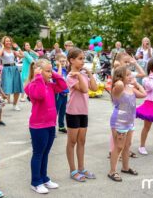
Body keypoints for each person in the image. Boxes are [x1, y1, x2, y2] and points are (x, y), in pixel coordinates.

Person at [24, 58, 67, 194]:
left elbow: (63, 86)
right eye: (48, 71)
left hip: (50, 124)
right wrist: (38, 77)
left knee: (46, 153)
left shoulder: (50, 85)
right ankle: (35, 182)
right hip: (38, 126)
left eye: (51, 71)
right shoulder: (32, 85)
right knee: (38, 154)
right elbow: (40, 95)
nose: (51, 73)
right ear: (38, 72)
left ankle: (44, 177)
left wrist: (53, 74)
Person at [108, 66, 146, 182]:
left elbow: (143, 94)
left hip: (130, 121)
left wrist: (136, 84)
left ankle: (125, 167)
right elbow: (119, 84)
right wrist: (118, 78)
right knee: (118, 146)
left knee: (127, 145)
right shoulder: (118, 88)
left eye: (131, 74)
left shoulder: (130, 88)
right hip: (119, 121)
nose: (131, 76)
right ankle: (112, 171)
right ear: (121, 77)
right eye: (128, 75)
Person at [65, 48, 98, 182]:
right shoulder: (70, 76)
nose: (83, 61)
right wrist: (79, 75)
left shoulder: (82, 74)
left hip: (84, 112)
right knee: (72, 142)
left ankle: (81, 168)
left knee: (82, 141)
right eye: (80, 58)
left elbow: (94, 88)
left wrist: (89, 74)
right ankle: (73, 170)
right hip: (73, 112)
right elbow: (84, 89)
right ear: (72, 60)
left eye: (83, 58)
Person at [0, 36, 24, 111]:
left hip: (14, 68)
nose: (8, 42)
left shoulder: (13, 51)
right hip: (6, 69)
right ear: (4, 42)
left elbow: (22, 56)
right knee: (5, 88)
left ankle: (15, 104)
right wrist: (2, 47)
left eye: (9, 41)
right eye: (7, 41)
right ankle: (0, 103)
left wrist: (18, 48)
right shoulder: (2, 50)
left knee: (17, 87)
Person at [54, 54, 69, 133]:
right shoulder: (55, 69)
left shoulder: (65, 69)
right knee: (55, 111)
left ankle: (61, 126)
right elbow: (58, 77)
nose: (62, 63)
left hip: (65, 93)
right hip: (58, 94)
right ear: (56, 62)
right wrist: (59, 66)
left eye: (64, 61)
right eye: (60, 61)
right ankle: (52, 128)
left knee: (63, 111)